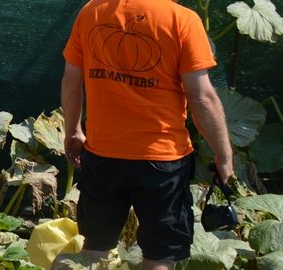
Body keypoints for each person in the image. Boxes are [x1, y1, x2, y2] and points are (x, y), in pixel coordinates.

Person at [60, 0, 234, 269]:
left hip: (103, 156)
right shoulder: (182, 20)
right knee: (160, 257)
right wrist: (223, 154)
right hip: (163, 163)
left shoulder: (91, 12)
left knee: (94, 251)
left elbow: (72, 79)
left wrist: (72, 130)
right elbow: (202, 99)